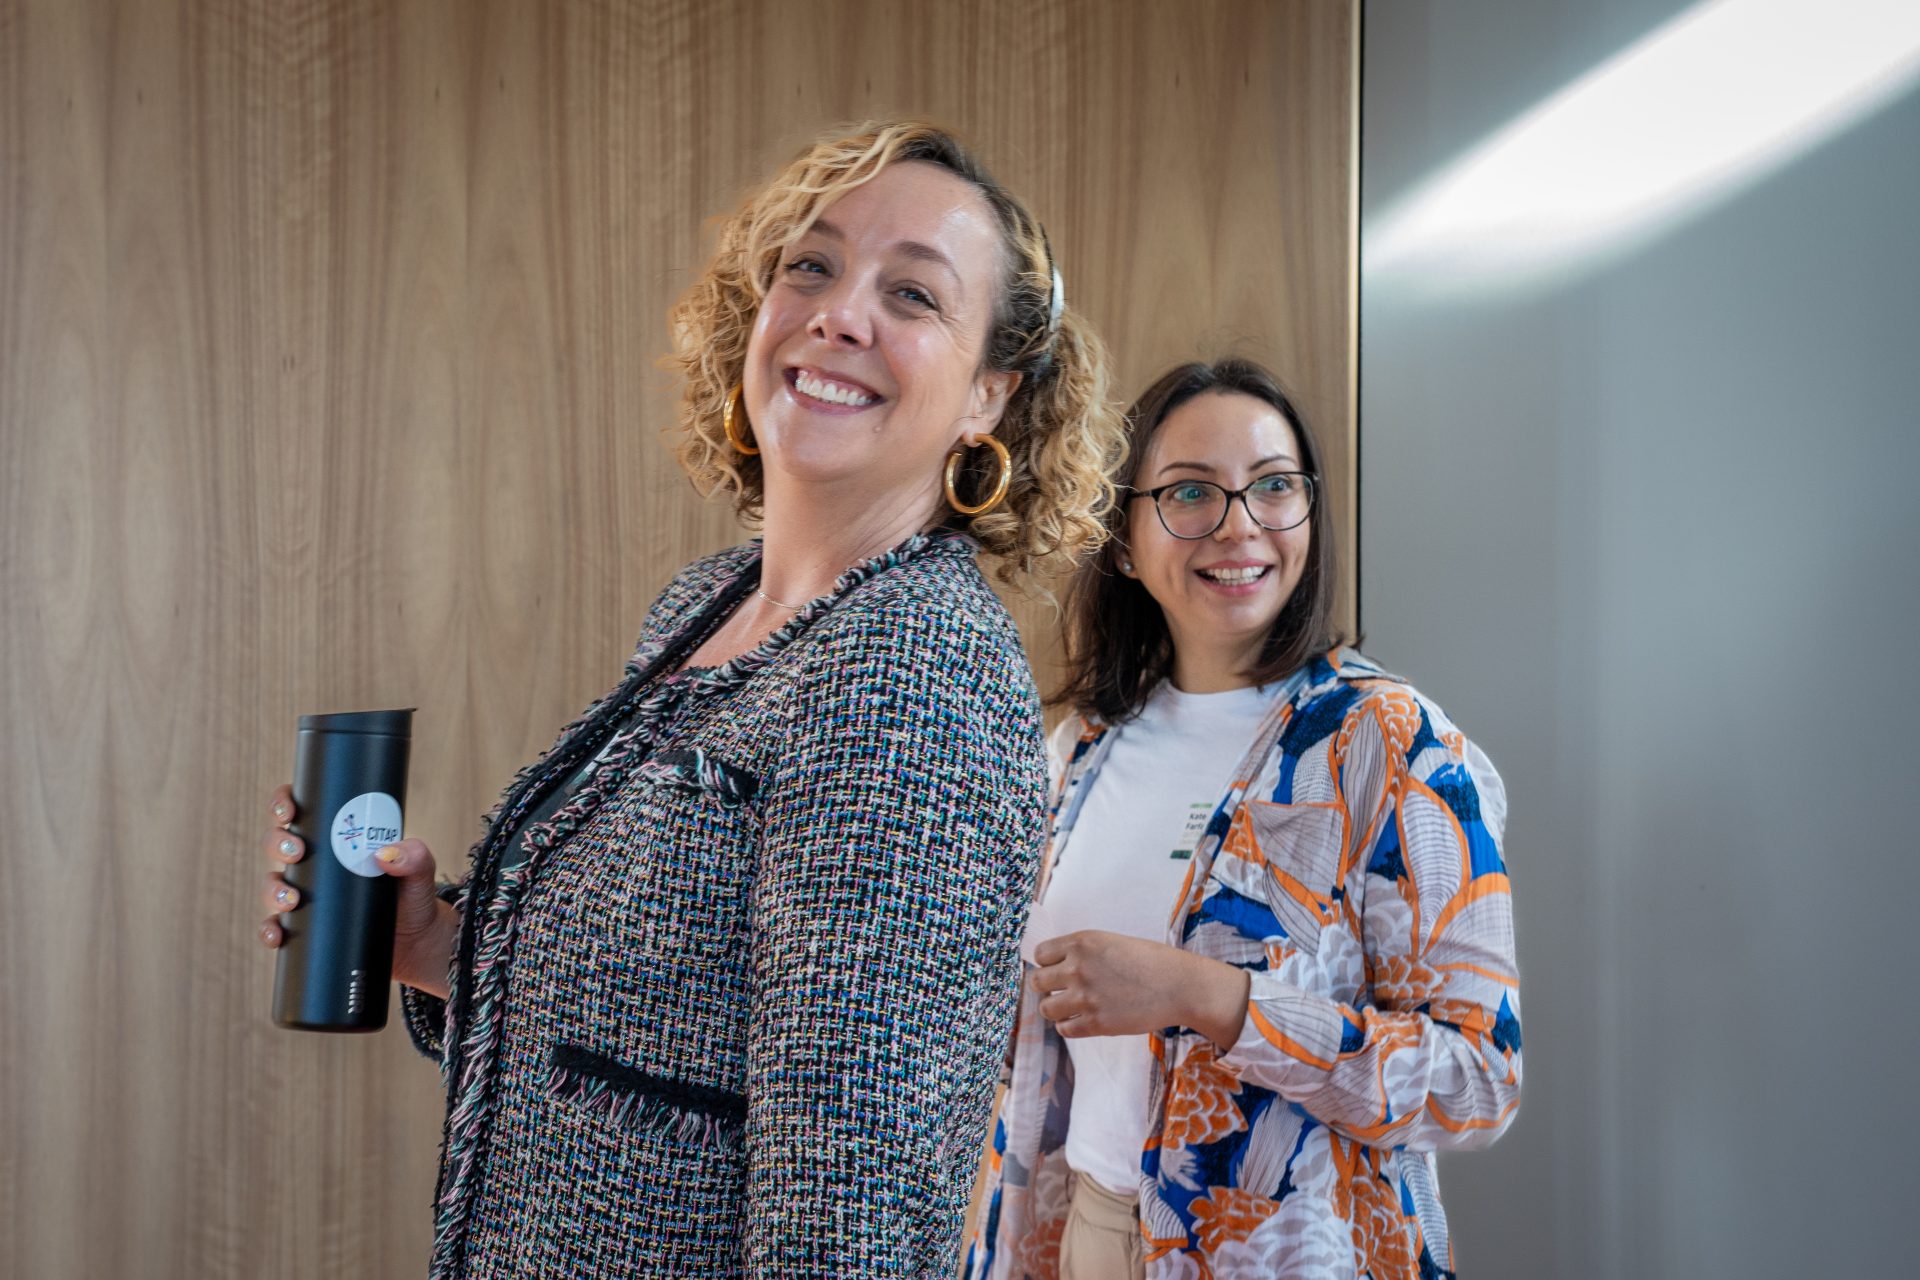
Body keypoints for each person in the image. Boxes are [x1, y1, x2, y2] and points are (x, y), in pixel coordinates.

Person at [256, 120, 1126, 1279]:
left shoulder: (913, 677)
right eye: (810, 265)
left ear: (990, 396)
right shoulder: (708, 605)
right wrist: (435, 945)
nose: (838, 312)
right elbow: (658, 1049)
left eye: (913, 294)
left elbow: (848, 1217)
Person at [968, 359, 1521, 1280]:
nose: (1239, 526)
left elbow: (1477, 1080)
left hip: (1299, 1254)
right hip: (1091, 1234)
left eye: (1273, 487)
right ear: (1122, 536)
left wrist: (1210, 998)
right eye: (1191, 492)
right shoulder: (1083, 749)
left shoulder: (1391, 744)